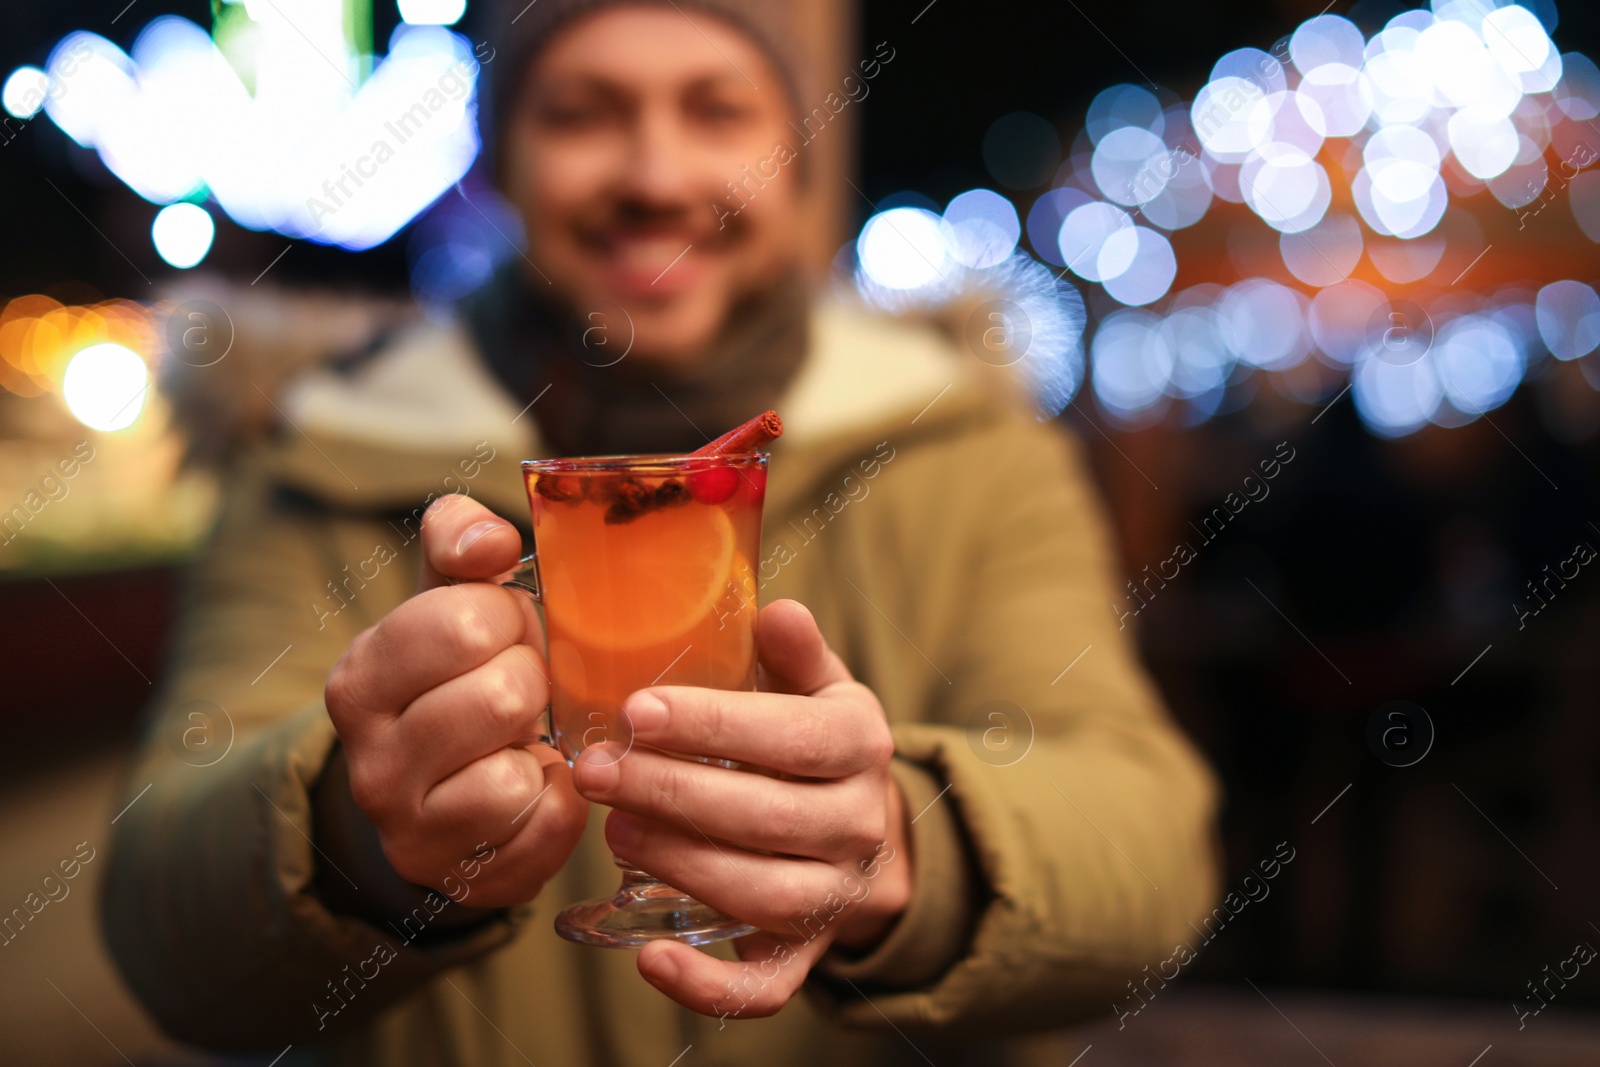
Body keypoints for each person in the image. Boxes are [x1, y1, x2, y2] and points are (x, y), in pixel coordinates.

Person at [102, 1, 1221, 1064]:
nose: (653, 175)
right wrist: (352, 831)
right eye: (580, 112)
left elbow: (1152, 851)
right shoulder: (311, 458)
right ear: (502, 163)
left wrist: (905, 853)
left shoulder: (970, 453)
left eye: (718, 110)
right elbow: (159, 919)